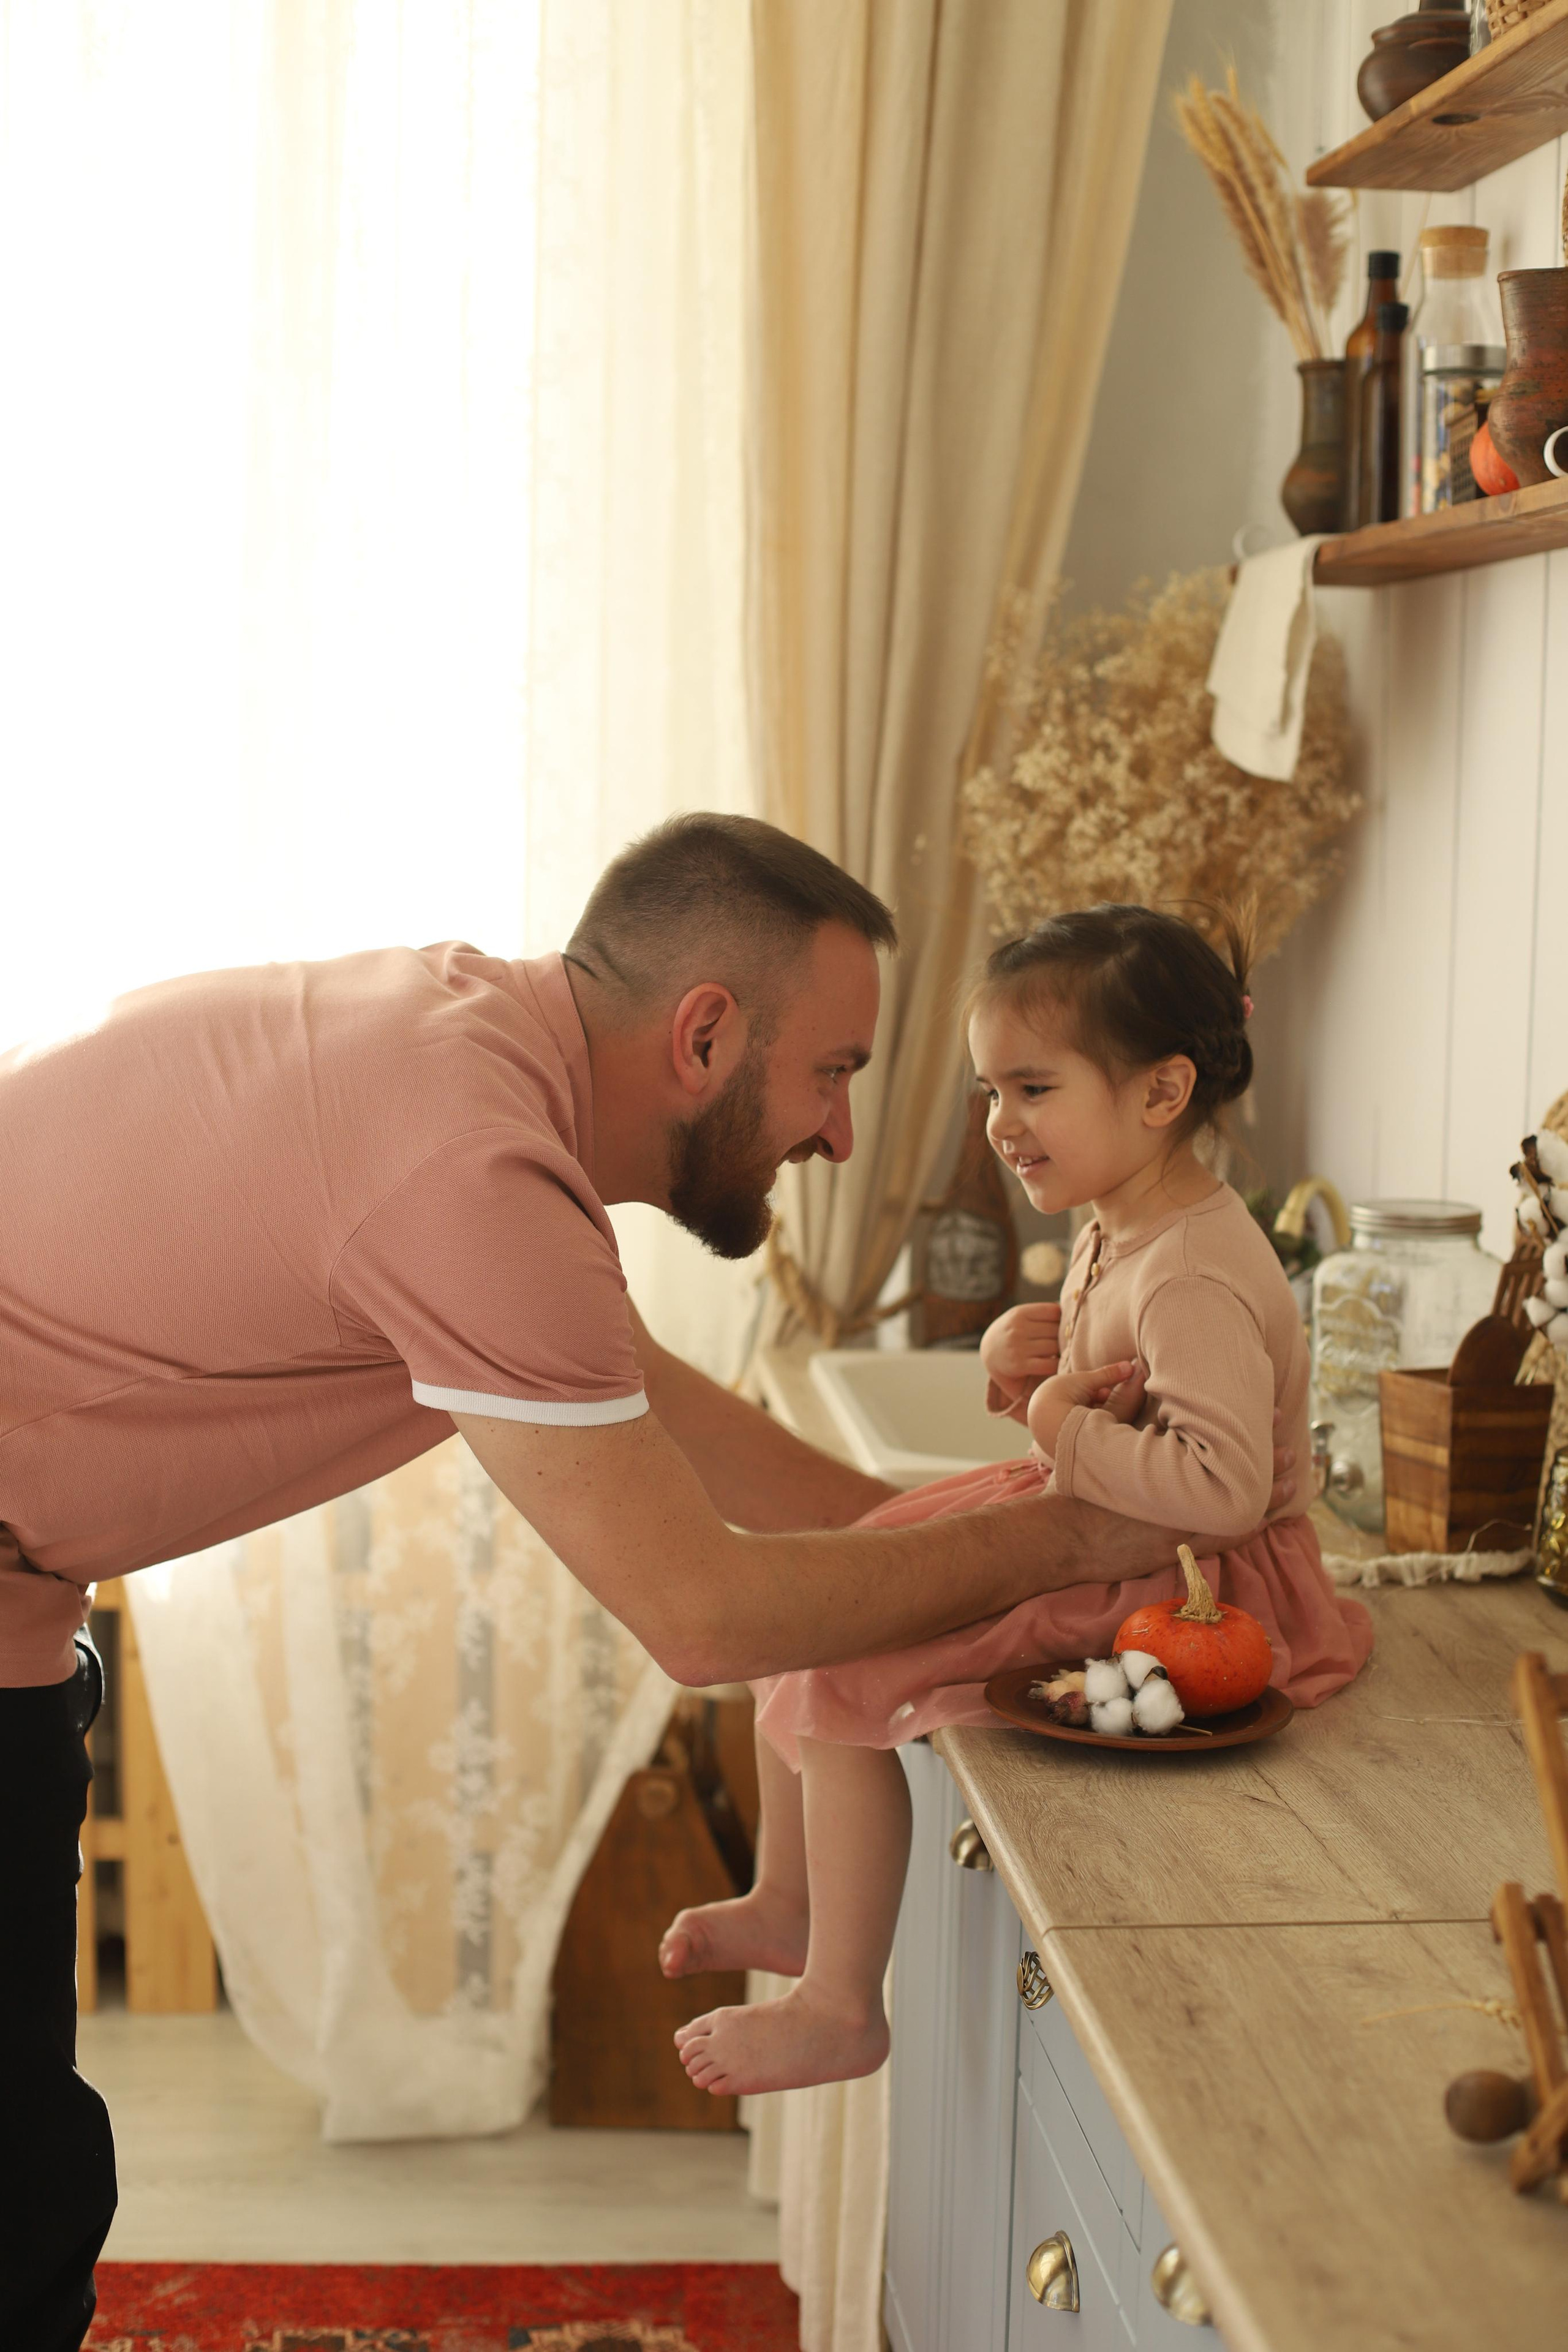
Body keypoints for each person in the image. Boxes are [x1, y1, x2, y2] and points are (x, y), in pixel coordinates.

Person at [0, 821, 1301, 2350]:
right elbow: (702, 1617)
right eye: (833, 1073)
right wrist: (1071, 1540)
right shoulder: (471, 1171)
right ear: (703, 1034)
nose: (835, 1137)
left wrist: (944, 1531)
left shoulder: (468, 1051)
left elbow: (641, 1397)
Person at [665, 903, 1373, 2100]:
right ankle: (790, 1903)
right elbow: (1113, 1395)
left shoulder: (1192, 1268)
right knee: (822, 1593)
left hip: (1187, 1580)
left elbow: (1218, 1487)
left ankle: (840, 2004)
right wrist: (1022, 1363)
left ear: (1158, 1094)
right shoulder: (1132, 1220)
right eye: (992, 1092)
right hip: (1101, 1529)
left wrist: (1053, 1421)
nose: (1001, 1126)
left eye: (1031, 1090)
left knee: (845, 1665)